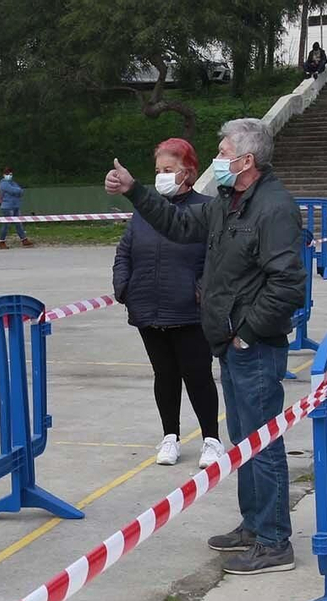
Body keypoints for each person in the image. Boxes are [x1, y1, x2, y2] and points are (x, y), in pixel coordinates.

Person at [106, 118, 305, 577]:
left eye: (222, 152)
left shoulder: (273, 209)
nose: (216, 160)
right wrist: (137, 191)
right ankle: (254, 526)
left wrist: (247, 331)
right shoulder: (227, 203)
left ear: (245, 161)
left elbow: (288, 284)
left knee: (263, 443)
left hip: (252, 346)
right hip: (231, 345)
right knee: (245, 441)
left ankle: (275, 541)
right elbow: (177, 223)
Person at [111, 137, 223, 470]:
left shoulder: (205, 209)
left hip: (189, 311)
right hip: (147, 308)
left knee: (198, 374)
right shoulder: (144, 213)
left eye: (168, 170)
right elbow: (124, 252)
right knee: (165, 375)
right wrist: (124, 286)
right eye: (158, 169)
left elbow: (215, 257)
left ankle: (211, 440)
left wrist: (200, 289)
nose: (161, 175)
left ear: (188, 173)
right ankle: (170, 436)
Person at [0, 168, 33, 249]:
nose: (9, 175)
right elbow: (14, 191)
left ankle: (24, 240)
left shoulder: (13, 182)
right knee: (6, 225)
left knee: (19, 223)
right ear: (4, 174)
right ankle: (1, 242)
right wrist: (18, 191)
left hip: (16, 205)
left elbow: (20, 191)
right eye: (7, 174)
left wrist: (18, 191)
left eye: (11, 174)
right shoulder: (3, 184)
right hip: (7, 207)